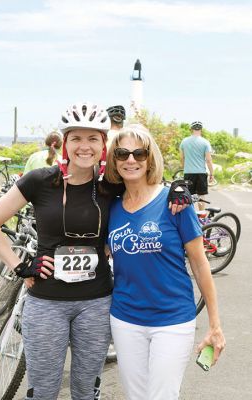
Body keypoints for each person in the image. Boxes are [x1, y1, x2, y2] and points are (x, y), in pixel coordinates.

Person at [0, 104, 190, 399]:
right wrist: (19, 266)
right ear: (65, 143)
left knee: (86, 391)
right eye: (76, 138)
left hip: (96, 303)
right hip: (46, 302)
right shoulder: (40, 181)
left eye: (93, 139)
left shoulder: (111, 186)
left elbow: (148, 185)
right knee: (43, 391)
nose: (85, 146)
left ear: (103, 145)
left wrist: (179, 186)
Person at [105, 124, 225, 400]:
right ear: (114, 159)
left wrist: (215, 324)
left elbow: (199, 263)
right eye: (122, 153)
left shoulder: (175, 203)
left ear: (150, 158)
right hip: (125, 319)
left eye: (139, 153)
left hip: (172, 320)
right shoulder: (110, 206)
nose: (131, 160)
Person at [180, 121, 214, 210]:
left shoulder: (184, 141)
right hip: (201, 173)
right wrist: (212, 173)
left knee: (189, 196)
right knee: (201, 196)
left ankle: (190, 218)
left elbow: (182, 158)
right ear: (201, 130)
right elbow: (209, 160)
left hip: (188, 173)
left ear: (191, 129)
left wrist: (184, 168)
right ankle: (201, 218)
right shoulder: (205, 142)